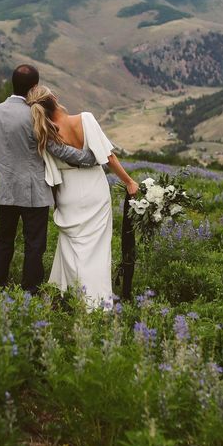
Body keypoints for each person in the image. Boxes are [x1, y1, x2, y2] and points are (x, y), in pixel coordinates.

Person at [0, 64, 98, 293]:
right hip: (33, 191)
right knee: (34, 244)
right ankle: (30, 290)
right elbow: (59, 150)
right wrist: (90, 158)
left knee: (4, 240)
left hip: (5, 189)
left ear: (12, 84)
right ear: (35, 87)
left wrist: (6, 174)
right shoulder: (35, 115)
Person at [26, 84, 139, 308]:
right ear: (55, 98)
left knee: (70, 244)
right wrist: (129, 181)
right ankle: (95, 300)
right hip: (94, 188)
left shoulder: (45, 134)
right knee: (97, 246)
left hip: (68, 191)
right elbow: (109, 156)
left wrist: (57, 203)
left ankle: (67, 293)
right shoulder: (85, 119)